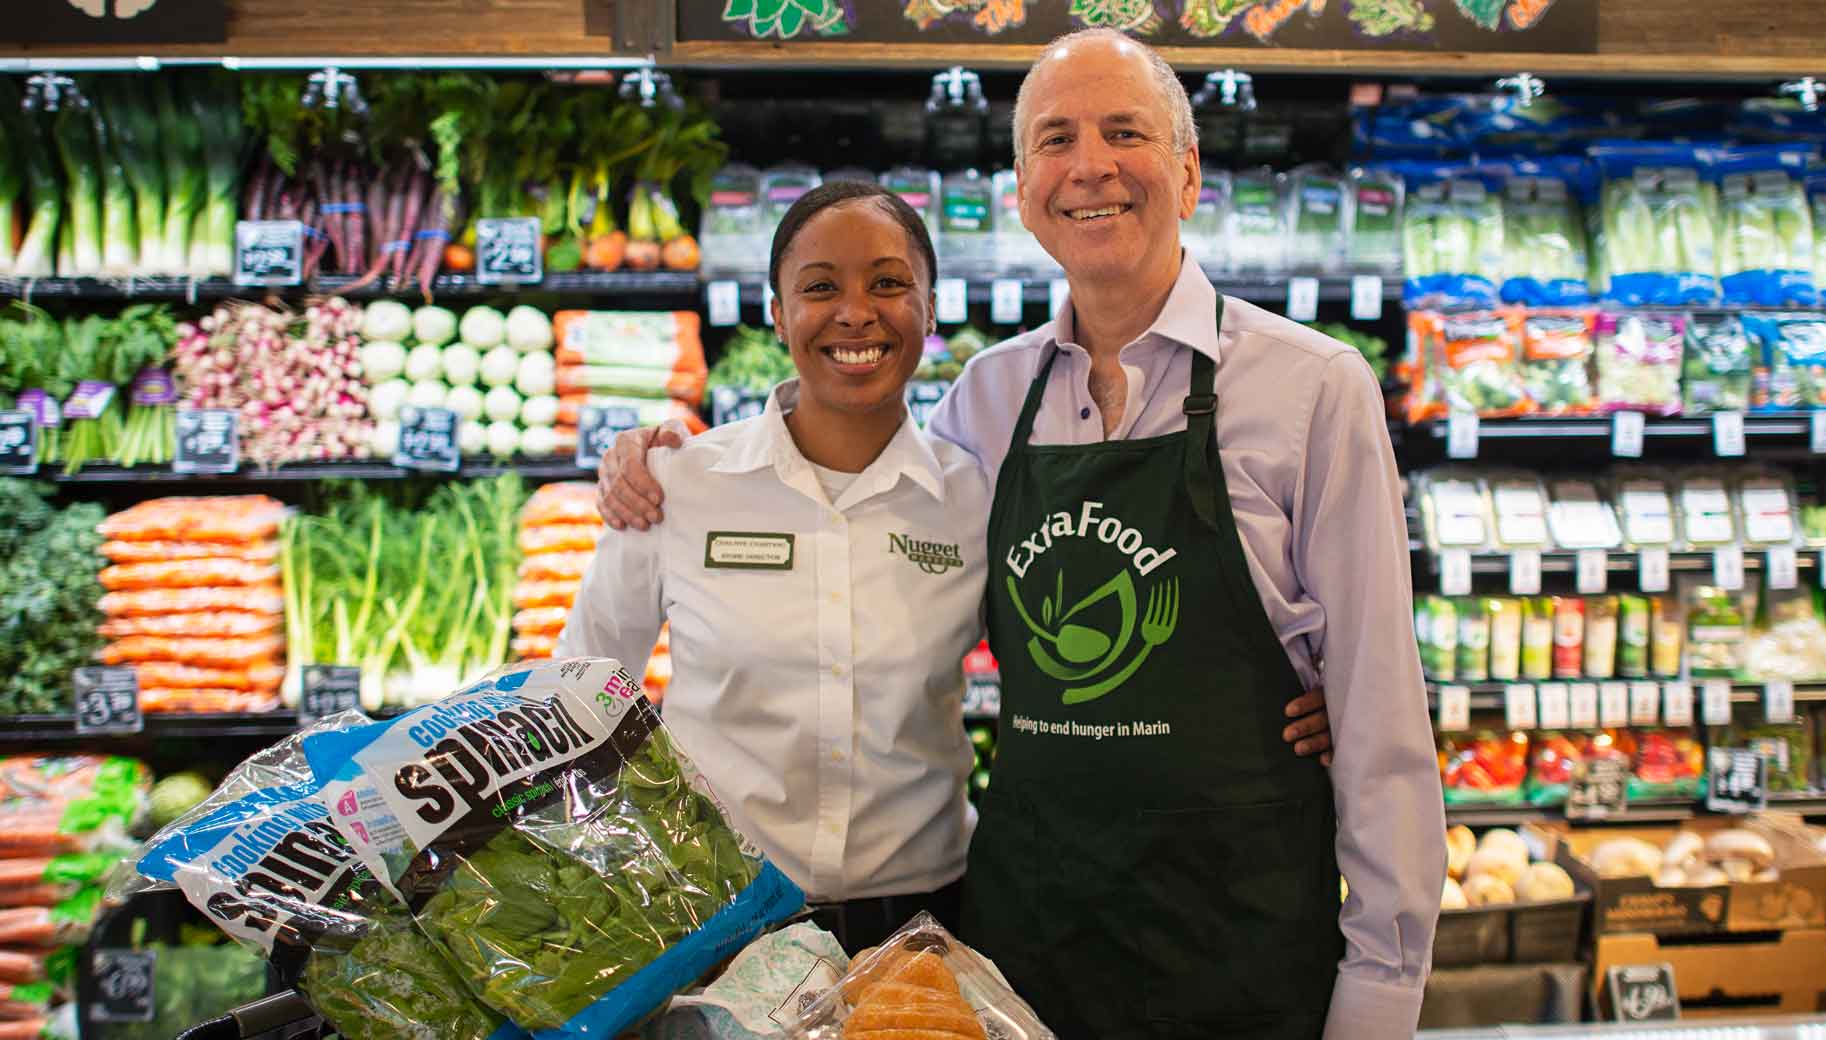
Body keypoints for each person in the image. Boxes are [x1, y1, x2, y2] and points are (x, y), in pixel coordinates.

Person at [595, 29, 1438, 1040]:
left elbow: (1387, 727)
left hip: (1235, 955)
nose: (1090, 164)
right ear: (1027, 195)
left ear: (1189, 173)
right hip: (1024, 964)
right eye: (1056, 139)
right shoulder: (988, 408)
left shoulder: (1312, 389)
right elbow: (843, 510)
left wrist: (1374, 1024)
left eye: (1125, 132)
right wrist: (650, 455)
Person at [560, 179, 1338, 957]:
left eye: (889, 284)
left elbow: (1103, 624)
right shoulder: (679, 484)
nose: (856, 312)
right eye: (819, 287)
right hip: (714, 917)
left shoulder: (980, 493)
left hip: (925, 925)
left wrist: (1277, 696)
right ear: (777, 313)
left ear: (929, 312)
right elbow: (571, 700)